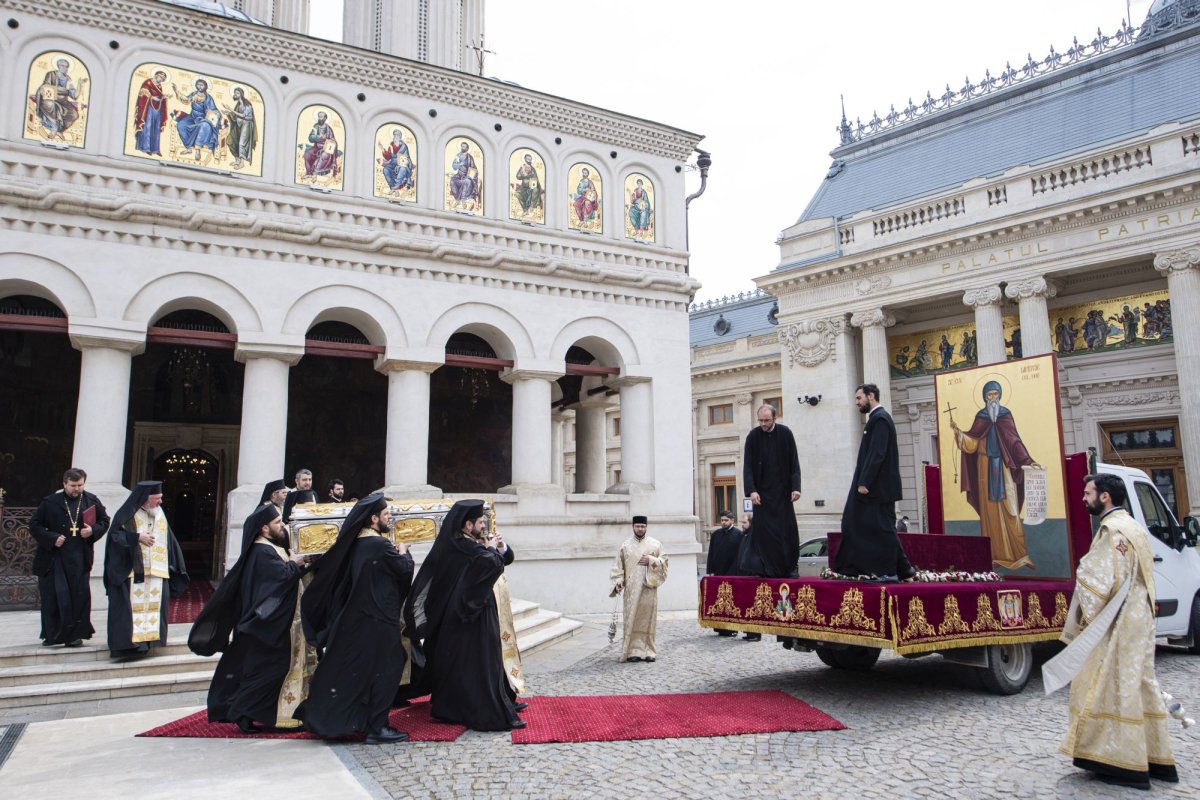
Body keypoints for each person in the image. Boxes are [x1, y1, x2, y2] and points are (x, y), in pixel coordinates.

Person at [1055, 474, 1178, 789]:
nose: (1084, 498)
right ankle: (1155, 759)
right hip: (1139, 617)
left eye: (1088, 493)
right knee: (1139, 683)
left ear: (1105, 496)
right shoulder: (1134, 527)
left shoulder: (1113, 531)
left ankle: (1123, 764)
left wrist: (1083, 591)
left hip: (1119, 620)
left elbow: (1099, 579)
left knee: (1113, 686)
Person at [296, 494, 413, 744]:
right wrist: (404, 552)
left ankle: (353, 718)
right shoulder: (380, 546)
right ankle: (377, 727)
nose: (390, 517)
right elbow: (403, 571)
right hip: (377, 619)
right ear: (373, 519)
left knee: (358, 670)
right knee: (390, 667)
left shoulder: (357, 544)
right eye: (385, 514)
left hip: (359, 618)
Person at [404, 500, 525, 731]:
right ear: (468, 525)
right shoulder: (464, 546)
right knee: (478, 664)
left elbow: (501, 559)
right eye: (480, 522)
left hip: (464, 614)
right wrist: (490, 550)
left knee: (464, 665)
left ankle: (458, 706)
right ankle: (485, 709)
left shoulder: (462, 543)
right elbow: (490, 564)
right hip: (471, 616)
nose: (483, 526)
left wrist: (498, 547)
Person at [190, 504, 311, 733]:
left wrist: (301, 564)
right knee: (268, 673)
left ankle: (254, 714)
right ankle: (241, 712)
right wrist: (295, 564)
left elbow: (287, 576)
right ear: (264, 528)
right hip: (267, 627)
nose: (282, 526)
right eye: (277, 523)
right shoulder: (261, 552)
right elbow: (280, 580)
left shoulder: (269, 548)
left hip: (277, 625)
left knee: (268, 673)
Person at [949, 380, 1039, 570]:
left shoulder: (1005, 415)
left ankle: (1021, 555)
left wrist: (1028, 461)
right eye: (989, 395)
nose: (992, 399)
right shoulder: (981, 417)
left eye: (995, 395)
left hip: (1005, 467)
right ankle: (994, 556)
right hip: (985, 466)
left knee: (1011, 510)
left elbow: (1014, 441)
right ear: (984, 397)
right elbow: (972, 442)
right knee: (989, 514)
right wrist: (959, 434)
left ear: (999, 395)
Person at [833, 384, 914, 580]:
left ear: (871, 396)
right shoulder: (877, 419)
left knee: (880, 528)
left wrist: (865, 481)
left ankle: (889, 571)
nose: (857, 402)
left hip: (876, 489)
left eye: (859, 398)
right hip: (877, 488)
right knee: (874, 526)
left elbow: (877, 453)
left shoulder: (880, 419)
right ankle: (903, 568)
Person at [103, 481, 188, 660]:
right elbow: (114, 537)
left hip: (156, 572)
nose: (160, 502)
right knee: (130, 611)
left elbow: (169, 540)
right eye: (157, 499)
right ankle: (128, 648)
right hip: (132, 572)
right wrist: (136, 537)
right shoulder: (127, 513)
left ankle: (148, 644)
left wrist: (177, 566)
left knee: (154, 609)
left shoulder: (159, 514)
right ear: (145, 498)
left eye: (161, 498)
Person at [28, 468, 110, 647]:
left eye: (80, 485)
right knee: (54, 597)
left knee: (77, 596)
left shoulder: (91, 500)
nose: (77, 489)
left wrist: (92, 530)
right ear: (64, 484)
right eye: (73, 485)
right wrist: (52, 538)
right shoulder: (50, 502)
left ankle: (74, 635)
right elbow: (34, 525)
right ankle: (53, 635)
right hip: (54, 558)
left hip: (79, 558)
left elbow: (105, 521)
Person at [740, 404, 801, 579]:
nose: (763, 424)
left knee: (785, 531)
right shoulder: (753, 436)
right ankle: (765, 568)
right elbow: (748, 467)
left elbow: (794, 463)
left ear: (774, 418)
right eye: (760, 420)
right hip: (762, 496)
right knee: (764, 534)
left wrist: (796, 487)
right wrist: (751, 490)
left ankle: (788, 567)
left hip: (783, 494)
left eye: (767, 420)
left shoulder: (785, 433)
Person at [610, 515, 668, 662]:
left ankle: (649, 650)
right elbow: (618, 567)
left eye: (643, 526)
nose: (640, 529)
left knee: (648, 619)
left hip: (649, 588)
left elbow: (664, 562)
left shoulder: (655, 544)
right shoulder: (625, 546)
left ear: (646, 527)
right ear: (633, 527)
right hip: (631, 590)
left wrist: (651, 560)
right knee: (632, 619)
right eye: (637, 526)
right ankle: (632, 651)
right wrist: (618, 581)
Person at [706, 510, 741, 638]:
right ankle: (720, 627)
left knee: (732, 602)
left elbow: (739, 556)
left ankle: (732, 628)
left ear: (732, 520)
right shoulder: (716, 534)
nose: (723, 522)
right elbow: (711, 553)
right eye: (722, 520)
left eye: (726, 520)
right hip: (718, 574)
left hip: (732, 574)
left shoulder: (738, 535)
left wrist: (735, 573)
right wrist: (710, 571)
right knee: (719, 601)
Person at [33, 58, 86, 139]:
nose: (65, 68)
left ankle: (59, 130)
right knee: (50, 104)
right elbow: (46, 87)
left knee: (74, 115)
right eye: (63, 66)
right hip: (49, 98)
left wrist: (79, 85)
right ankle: (54, 126)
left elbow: (74, 96)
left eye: (67, 67)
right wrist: (64, 90)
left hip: (63, 101)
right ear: (58, 66)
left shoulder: (68, 79)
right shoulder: (51, 74)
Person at [170, 78, 220, 160]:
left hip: (202, 118)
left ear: (205, 87)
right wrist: (176, 91)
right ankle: (188, 148)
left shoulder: (208, 98)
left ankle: (197, 150)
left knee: (205, 126)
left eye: (202, 85)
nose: (200, 87)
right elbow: (185, 100)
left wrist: (212, 113)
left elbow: (214, 109)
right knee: (181, 125)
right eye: (198, 85)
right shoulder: (194, 94)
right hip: (192, 117)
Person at [133, 70, 168, 156]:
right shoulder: (148, 83)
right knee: (147, 126)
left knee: (156, 127)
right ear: (156, 75)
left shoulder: (159, 86)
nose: (161, 79)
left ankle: (155, 149)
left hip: (157, 109)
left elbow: (159, 96)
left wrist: (163, 98)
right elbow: (143, 95)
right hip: (147, 108)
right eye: (160, 77)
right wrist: (152, 98)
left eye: (163, 79)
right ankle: (146, 147)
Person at [222, 87, 256, 170]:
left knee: (242, 143)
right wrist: (228, 113)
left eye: (237, 93)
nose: (235, 95)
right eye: (234, 93)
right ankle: (237, 160)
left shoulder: (247, 104)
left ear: (241, 94)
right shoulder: (238, 104)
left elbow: (243, 115)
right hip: (238, 125)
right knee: (231, 141)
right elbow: (235, 116)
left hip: (246, 125)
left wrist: (230, 109)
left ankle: (242, 163)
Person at [302, 111, 339, 179]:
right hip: (316, 147)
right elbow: (310, 138)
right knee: (307, 154)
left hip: (326, 149)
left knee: (324, 155)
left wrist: (329, 142)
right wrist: (318, 137)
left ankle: (315, 173)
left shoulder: (329, 129)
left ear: (325, 118)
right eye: (319, 117)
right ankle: (309, 173)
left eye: (321, 117)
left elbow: (333, 140)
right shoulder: (316, 127)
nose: (319, 118)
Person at [380, 128, 415, 193]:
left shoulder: (403, 146)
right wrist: (383, 149)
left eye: (397, 135)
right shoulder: (392, 145)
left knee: (402, 169)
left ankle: (397, 185)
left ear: (400, 137)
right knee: (386, 169)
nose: (395, 137)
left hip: (404, 164)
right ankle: (392, 186)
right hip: (394, 164)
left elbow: (399, 157)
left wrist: (391, 159)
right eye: (394, 135)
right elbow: (389, 156)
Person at [449, 141, 479, 208]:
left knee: (466, 182)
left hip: (467, 176)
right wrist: (459, 164)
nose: (462, 148)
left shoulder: (469, 157)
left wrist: (469, 176)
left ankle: (463, 201)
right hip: (459, 175)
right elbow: (454, 167)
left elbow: (473, 168)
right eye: (462, 146)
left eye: (464, 147)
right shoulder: (458, 156)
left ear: (467, 148)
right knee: (453, 181)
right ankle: (457, 199)